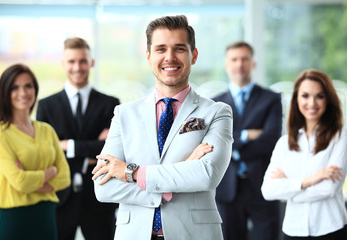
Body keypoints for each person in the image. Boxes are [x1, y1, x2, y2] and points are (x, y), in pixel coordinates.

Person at [92, 15, 233, 240]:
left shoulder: (217, 112)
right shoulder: (124, 114)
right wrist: (182, 172)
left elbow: (206, 175)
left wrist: (132, 172)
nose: (169, 57)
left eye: (179, 48)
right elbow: (103, 187)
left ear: (193, 55)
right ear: (148, 56)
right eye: (160, 49)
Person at [36, 37, 120, 240]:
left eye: (83, 61)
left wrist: (67, 146)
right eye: (72, 61)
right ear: (64, 63)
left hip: (99, 198)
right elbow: (45, 153)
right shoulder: (46, 106)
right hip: (59, 198)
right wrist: (91, 152)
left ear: (91, 62)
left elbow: (110, 150)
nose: (77, 67)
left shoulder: (111, 104)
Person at [261, 69, 347, 239]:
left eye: (320, 96)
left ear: (328, 99)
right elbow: (268, 190)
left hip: (330, 228)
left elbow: (329, 188)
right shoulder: (284, 144)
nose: (312, 103)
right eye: (305, 95)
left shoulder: (341, 135)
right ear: (296, 99)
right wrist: (310, 180)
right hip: (292, 230)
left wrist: (289, 187)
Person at [0, 63, 70, 239]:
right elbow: (20, 182)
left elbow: (64, 177)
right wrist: (50, 171)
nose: (23, 93)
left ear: (35, 89)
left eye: (28, 86)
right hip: (13, 220)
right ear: (5, 93)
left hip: (46, 218)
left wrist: (31, 180)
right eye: (15, 88)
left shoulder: (47, 130)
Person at [213, 41, 282, 240]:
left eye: (245, 59)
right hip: (227, 189)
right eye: (234, 59)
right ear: (227, 64)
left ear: (253, 63)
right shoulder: (214, 103)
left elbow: (270, 140)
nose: (239, 64)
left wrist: (231, 145)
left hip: (262, 186)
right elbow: (214, 144)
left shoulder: (271, 99)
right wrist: (246, 135)